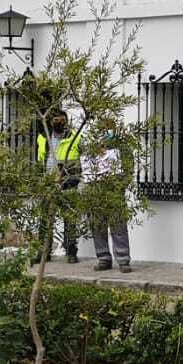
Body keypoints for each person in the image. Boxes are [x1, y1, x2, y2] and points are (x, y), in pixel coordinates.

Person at [33, 110, 83, 264]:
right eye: (55, 119)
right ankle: (43, 253)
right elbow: (40, 160)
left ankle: (71, 252)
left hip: (68, 182)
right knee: (45, 220)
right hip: (48, 183)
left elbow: (84, 159)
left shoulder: (75, 137)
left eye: (61, 120)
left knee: (69, 218)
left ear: (66, 121)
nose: (58, 122)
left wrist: (72, 177)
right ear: (50, 121)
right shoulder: (43, 138)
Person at [88, 127, 132, 273]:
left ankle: (123, 260)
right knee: (98, 226)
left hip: (115, 193)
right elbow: (86, 169)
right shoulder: (93, 149)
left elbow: (128, 169)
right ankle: (103, 258)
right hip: (96, 192)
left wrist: (120, 186)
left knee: (118, 226)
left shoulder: (123, 148)